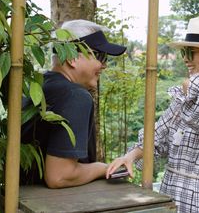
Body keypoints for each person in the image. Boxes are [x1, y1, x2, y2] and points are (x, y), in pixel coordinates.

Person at [107, 16, 199, 213]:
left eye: (191, 52)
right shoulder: (185, 98)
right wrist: (130, 157)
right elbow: (158, 135)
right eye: (184, 52)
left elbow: (192, 90)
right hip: (169, 193)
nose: (185, 58)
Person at [21, 19, 126, 188]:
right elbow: (59, 176)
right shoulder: (75, 96)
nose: (104, 65)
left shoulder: (36, 86)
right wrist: (102, 168)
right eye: (100, 56)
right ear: (72, 58)